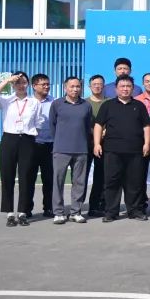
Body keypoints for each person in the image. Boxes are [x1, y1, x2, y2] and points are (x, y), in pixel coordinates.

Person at [93, 75, 150, 222]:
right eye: (122, 86)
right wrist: (97, 143)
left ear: (132, 88)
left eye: (128, 86)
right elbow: (98, 125)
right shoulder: (107, 105)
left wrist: (146, 143)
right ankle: (111, 212)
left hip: (135, 151)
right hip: (112, 151)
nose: (125, 89)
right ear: (116, 89)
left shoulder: (139, 105)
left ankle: (135, 210)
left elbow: (146, 126)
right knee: (112, 182)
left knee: (135, 182)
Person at [0, 72, 40, 227]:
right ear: (12, 84)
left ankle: (23, 212)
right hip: (9, 139)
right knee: (7, 175)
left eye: (23, 82)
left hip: (27, 140)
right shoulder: (6, 100)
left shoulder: (34, 102)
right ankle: (10, 213)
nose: (20, 85)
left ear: (28, 84)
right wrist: (6, 80)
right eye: (17, 82)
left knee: (26, 176)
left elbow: (38, 121)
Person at [48, 76, 93, 224]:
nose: (75, 89)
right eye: (72, 86)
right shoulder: (57, 104)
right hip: (61, 149)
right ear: (65, 87)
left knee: (79, 182)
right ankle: (58, 212)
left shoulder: (86, 105)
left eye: (78, 86)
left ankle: (75, 212)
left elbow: (87, 126)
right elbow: (52, 125)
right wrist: (59, 142)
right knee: (58, 182)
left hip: (81, 150)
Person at [25, 73, 55, 218]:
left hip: (50, 145)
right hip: (31, 145)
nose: (46, 87)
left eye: (48, 84)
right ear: (34, 86)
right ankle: (26, 209)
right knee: (28, 179)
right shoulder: (27, 102)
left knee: (49, 179)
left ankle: (49, 208)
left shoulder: (54, 102)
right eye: (43, 84)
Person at [85, 75, 107, 217]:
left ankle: (98, 205)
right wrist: (96, 133)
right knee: (82, 177)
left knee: (101, 177)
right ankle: (77, 207)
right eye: (94, 84)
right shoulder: (84, 103)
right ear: (90, 86)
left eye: (100, 84)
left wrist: (105, 131)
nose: (97, 86)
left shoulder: (109, 102)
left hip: (105, 144)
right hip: (86, 144)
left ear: (104, 86)